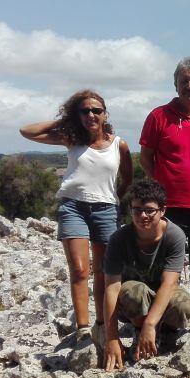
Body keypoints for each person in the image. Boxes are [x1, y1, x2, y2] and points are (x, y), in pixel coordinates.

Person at [19, 90, 132, 348]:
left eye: (96, 110)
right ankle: (83, 328)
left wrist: (114, 197)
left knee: (105, 271)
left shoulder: (119, 145)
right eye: (84, 111)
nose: (91, 115)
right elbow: (26, 131)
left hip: (106, 210)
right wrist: (66, 120)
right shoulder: (71, 139)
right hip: (73, 208)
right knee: (80, 270)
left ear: (105, 114)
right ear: (76, 114)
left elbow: (127, 178)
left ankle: (102, 325)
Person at [139, 57, 190, 333]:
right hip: (170, 208)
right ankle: (162, 322)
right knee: (165, 268)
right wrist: (159, 190)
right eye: (184, 81)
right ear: (175, 84)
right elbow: (146, 158)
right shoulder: (158, 117)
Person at [103, 180, 190, 371]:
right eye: (137, 210)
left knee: (183, 304)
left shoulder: (174, 235)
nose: (142, 216)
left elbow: (169, 283)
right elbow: (112, 288)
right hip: (133, 301)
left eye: (149, 210)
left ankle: (160, 330)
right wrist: (111, 338)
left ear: (163, 211)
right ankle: (139, 330)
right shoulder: (118, 239)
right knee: (134, 291)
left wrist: (150, 324)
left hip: (161, 292)